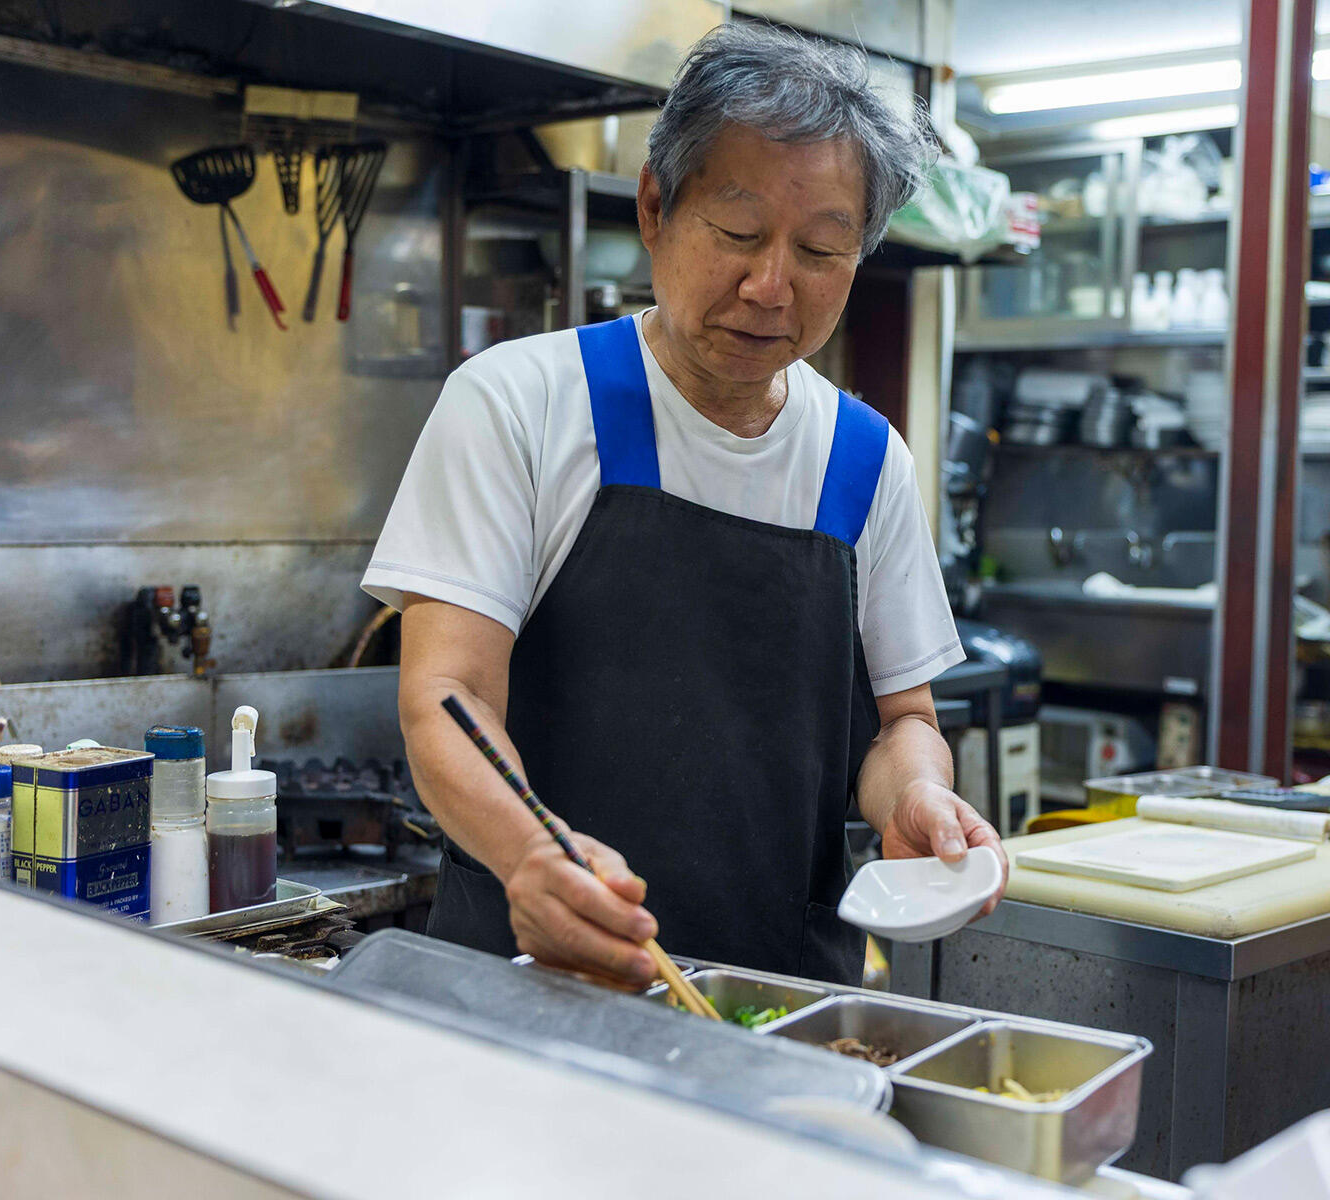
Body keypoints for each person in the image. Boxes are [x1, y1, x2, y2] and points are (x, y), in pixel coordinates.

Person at [363, 22, 1005, 988]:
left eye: (823, 250)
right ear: (656, 208)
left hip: (777, 999)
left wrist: (914, 792)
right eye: (740, 235)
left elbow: (899, 719)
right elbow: (449, 698)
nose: (770, 285)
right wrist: (535, 854)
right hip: (534, 977)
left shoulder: (864, 460)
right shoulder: (522, 402)